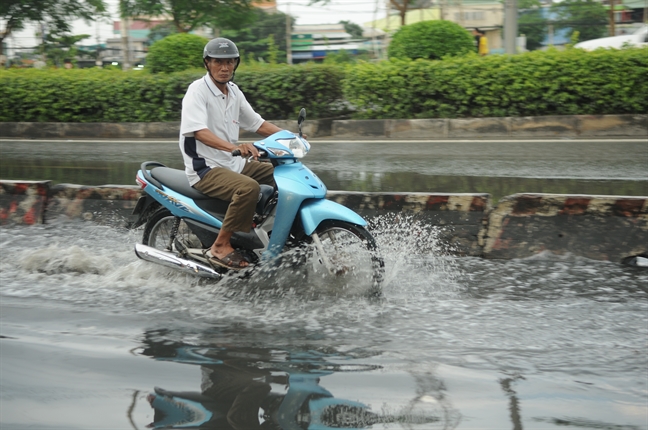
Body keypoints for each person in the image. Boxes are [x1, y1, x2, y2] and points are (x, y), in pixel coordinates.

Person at [179, 37, 283, 270]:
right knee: (248, 188)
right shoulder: (197, 91)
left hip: (231, 162)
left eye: (229, 62)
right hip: (205, 167)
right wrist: (234, 147)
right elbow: (198, 132)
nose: (224, 68)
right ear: (207, 63)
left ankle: (269, 232)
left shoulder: (234, 92)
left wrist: (290, 137)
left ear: (236, 64)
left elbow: (258, 124)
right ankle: (220, 245)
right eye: (218, 62)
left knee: (283, 175)